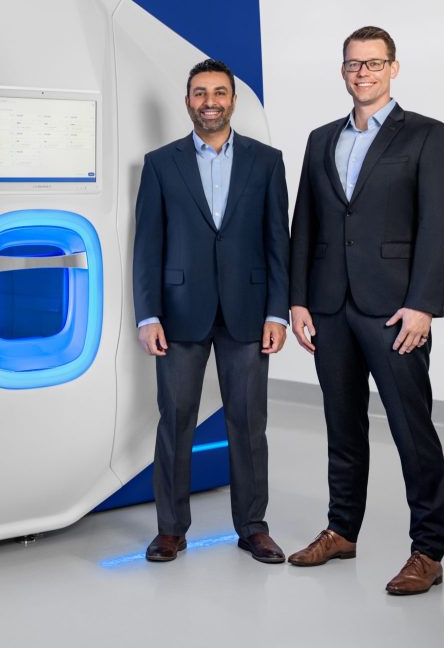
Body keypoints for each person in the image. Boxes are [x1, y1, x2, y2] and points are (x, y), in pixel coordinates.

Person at [287, 25, 444, 596]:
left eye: (374, 63)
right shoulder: (320, 139)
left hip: (395, 311)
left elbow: (438, 225)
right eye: (354, 64)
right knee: (342, 425)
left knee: (412, 431)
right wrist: (298, 298)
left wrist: (423, 305)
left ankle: (427, 551)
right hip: (329, 306)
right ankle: (341, 530)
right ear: (343, 70)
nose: (363, 73)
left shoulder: (427, 135)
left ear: (393, 68)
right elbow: (306, 222)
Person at [134, 59, 289, 564]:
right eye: (200, 93)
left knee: (248, 424)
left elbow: (278, 243)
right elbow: (147, 246)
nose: (210, 102)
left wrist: (277, 313)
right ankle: (170, 530)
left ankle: (253, 527)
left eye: (219, 92)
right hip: (179, 314)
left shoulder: (267, 162)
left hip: (249, 312)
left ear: (232, 101)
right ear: (188, 101)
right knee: (175, 421)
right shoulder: (161, 163)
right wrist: (148, 315)